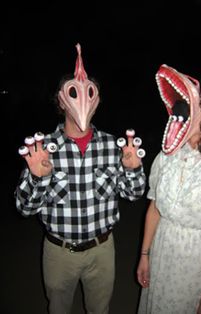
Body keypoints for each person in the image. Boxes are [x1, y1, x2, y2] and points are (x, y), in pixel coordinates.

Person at [15, 43, 146, 314]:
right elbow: (24, 209)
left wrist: (133, 168)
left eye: (91, 93)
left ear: (97, 100)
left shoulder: (113, 146)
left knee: (100, 310)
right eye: (73, 92)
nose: (83, 100)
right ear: (61, 100)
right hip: (59, 253)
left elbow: (134, 194)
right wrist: (37, 178)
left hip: (102, 250)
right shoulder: (43, 149)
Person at [137, 64, 201, 314]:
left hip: (200, 265)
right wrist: (145, 255)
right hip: (163, 253)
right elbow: (154, 209)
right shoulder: (166, 156)